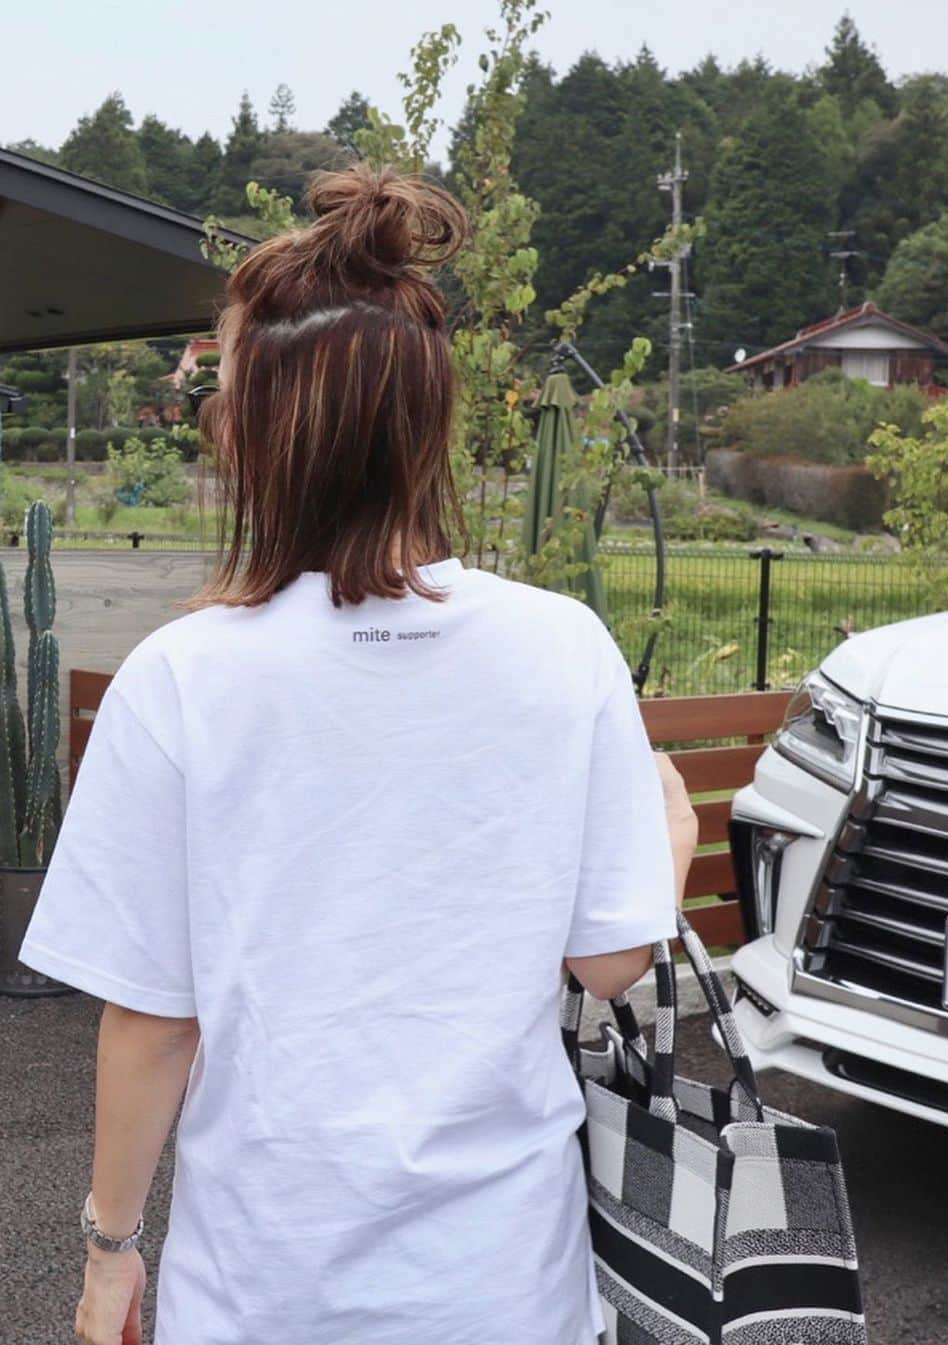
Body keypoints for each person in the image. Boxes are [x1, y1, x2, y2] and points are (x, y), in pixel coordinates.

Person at [18, 161, 700, 1345]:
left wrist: (110, 1253)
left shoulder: (182, 678)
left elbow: (152, 1024)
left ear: (252, 436)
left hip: (265, 1287)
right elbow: (610, 963)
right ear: (429, 422)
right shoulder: (563, 647)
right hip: (506, 1284)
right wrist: (676, 838)